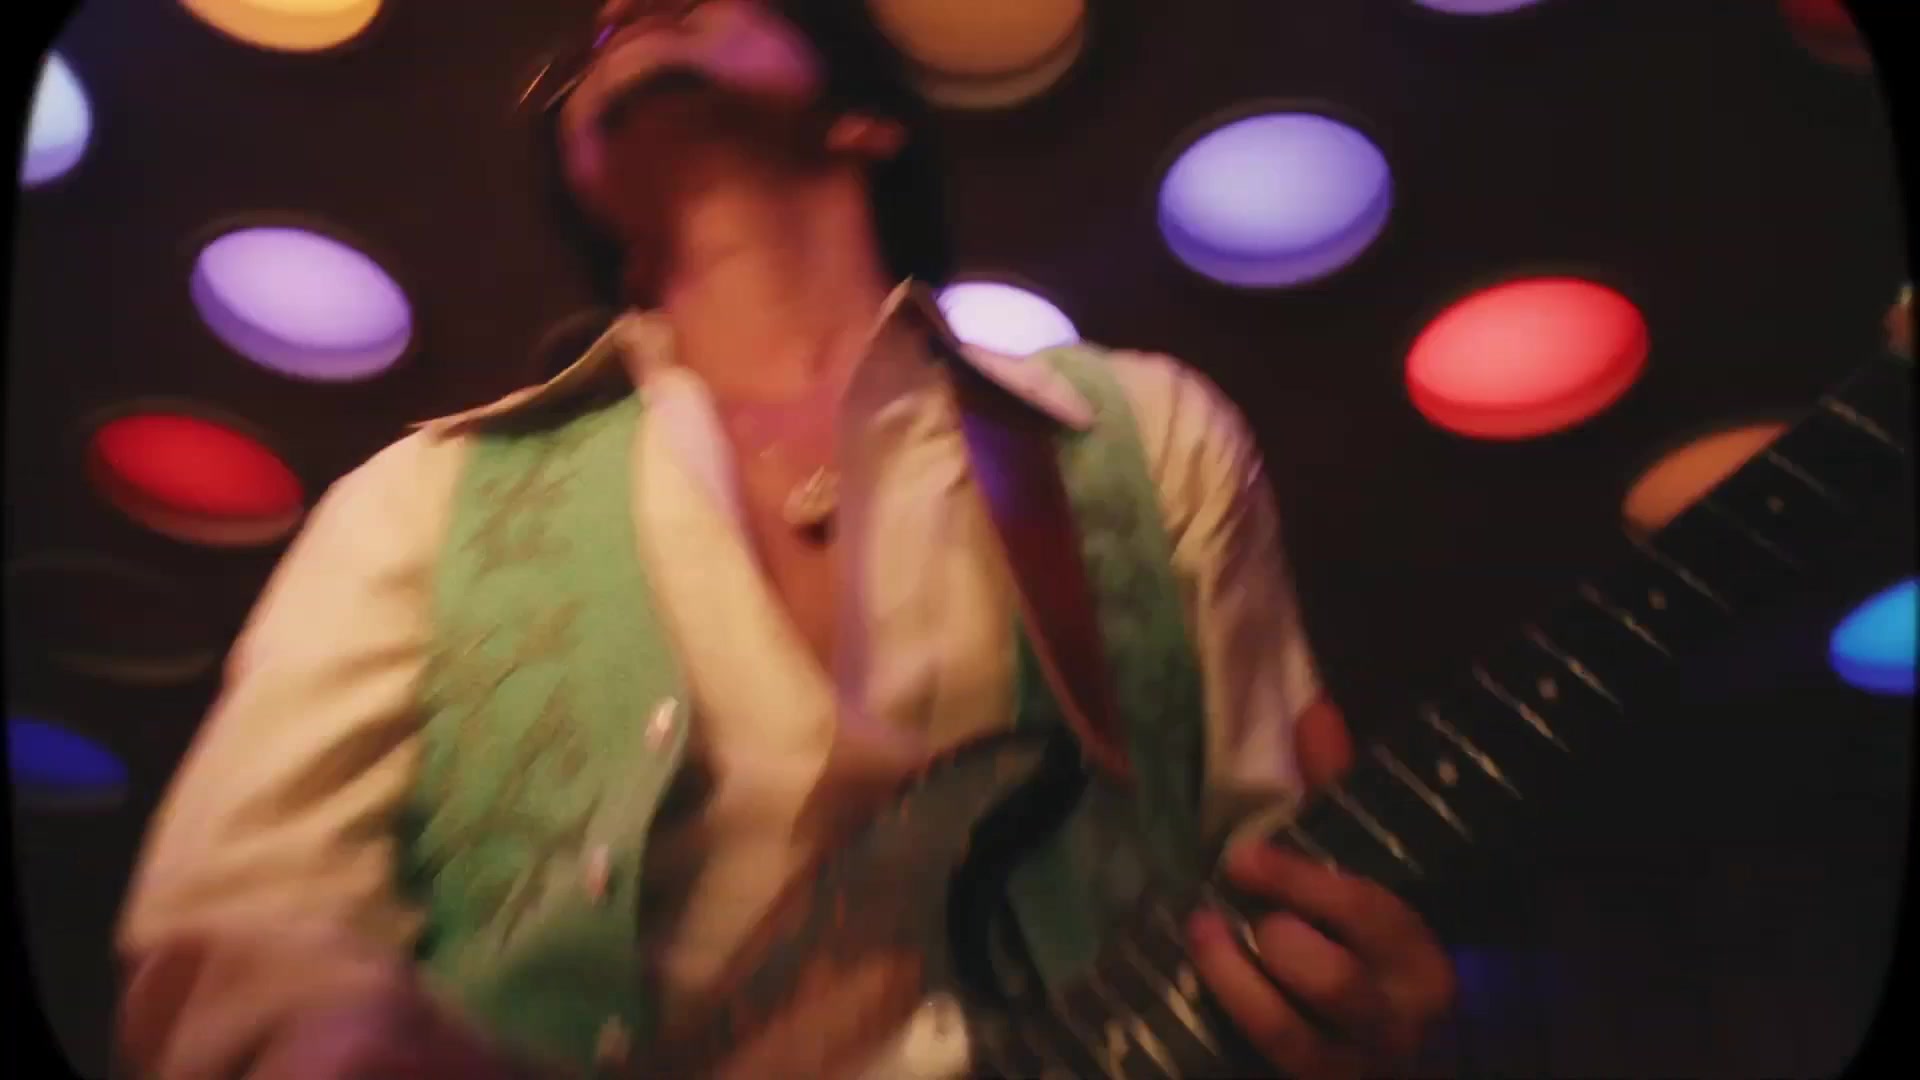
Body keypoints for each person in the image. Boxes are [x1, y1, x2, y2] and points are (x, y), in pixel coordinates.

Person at [115, 1, 1455, 1076]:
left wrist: (1346, 1005)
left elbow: (1269, 876)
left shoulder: (1146, 435)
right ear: (589, 190)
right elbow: (230, 938)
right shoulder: (419, 498)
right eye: (602, 28)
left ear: (866, 118)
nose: (626, 9)